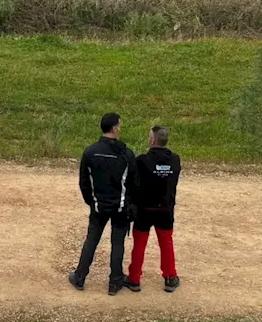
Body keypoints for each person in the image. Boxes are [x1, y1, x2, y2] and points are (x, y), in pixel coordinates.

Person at [69, 113, 138, 296]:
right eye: (119, 126)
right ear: (114, 129)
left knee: (92, 239)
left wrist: (91, 202)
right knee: (117, 243)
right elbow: (134, 183)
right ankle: (115, 282)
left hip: (98, 206)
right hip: (120, 207)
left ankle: (80, 276)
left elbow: (84, 182)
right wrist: (130, 203)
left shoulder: (90, 152)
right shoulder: (126, 154)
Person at [126, 125, 182, 293]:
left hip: (144, 209)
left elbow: (134, 183)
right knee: (166, 243)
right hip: (165, 209)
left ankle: (134, 278)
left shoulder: (142, 160)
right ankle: (170, 276)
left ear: (152, 140)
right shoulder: (175, 160)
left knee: (140, 245)